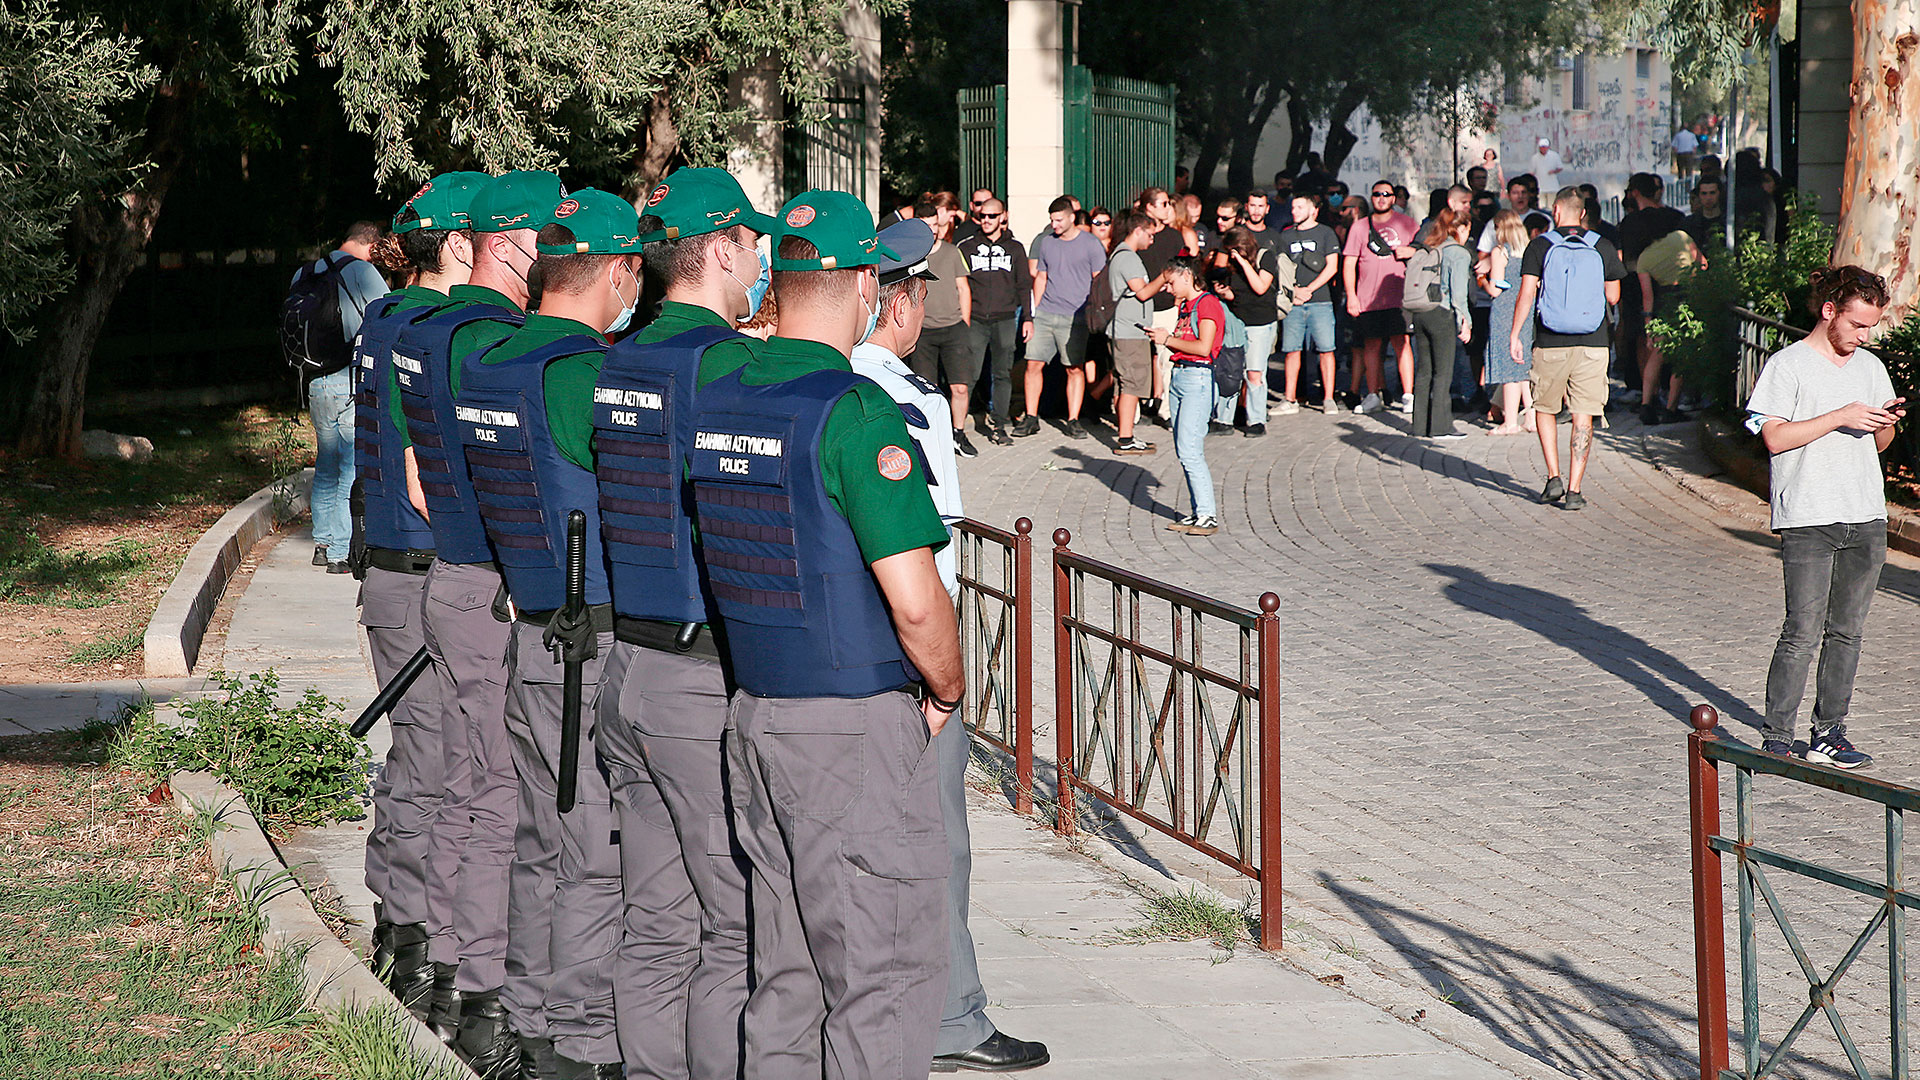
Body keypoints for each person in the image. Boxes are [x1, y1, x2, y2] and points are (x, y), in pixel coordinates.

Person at [689, 188, 963, 1080]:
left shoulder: (722, 390)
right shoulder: (856, 410)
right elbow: (917, 603)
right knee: (882, 977)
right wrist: (948, 689)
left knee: (788, 974)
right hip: (849, 724)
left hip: (755, 708)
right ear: (867, 286)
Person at [849, 219, 1052, 1074]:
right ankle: (948, 1021)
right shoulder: (899, 398)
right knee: (935, 843)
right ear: (902, 299)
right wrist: (946, 680)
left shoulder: (808, 377)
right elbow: (927, 557)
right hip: (903, 653)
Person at [587, 168, 775, 1080]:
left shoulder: (618, 357)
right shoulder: (726, 365)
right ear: (724, 250)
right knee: (733, 925)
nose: (765, 260)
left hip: (629, 668)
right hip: (698, 684)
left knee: (655, 921)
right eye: (756, 243)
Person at [457, 187, 638, 1080]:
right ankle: (580, 1045)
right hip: (588, 642)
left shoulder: (491, 359)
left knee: (540, 843)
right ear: (618, 271)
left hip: (531, 627)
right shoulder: (583, 374)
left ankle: (526, 1026)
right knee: (594, 855)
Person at [385, 167, 555, 1071]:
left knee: (465, 786)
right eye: (548, 241)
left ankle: (445, 972)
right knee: (498, 800)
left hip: (451, 574)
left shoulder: (427, 331)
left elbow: (419, 474)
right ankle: (480, 999)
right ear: (511, 247)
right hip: (490, 585)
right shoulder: (493, 343)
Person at [351, 174, 479, 1032]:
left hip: (390, 572)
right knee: (443, 771)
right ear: (461, 245)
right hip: (425, 569)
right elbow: (426, 477)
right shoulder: (435, 330)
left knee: (415, 765)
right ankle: (422, 952)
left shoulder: (384, 316)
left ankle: (399, 932)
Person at [1746, 266, 1904, 768]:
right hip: (1809, 515)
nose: (1864, 336)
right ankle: (1777, 735)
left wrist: (1885, 423)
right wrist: (1840, 415)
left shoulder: (1870, 367)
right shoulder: (1787, 365)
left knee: (1848, 632)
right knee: (1802, 630)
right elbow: (1774, 438)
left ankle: (1830, 733)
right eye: (1857, 325)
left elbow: (1880, 445)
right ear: (1829, 311)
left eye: (1871, 327)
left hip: (1865, 514)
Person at [1508, 186, 1626, 510]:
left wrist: (1515, 334)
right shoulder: (1602, 245)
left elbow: (1527, 294)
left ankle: (1553, 477)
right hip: (1593, 343)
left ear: (1555, 211)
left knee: (1545, 408)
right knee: (1583, 414)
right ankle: (1575, 490)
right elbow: (1613, 296)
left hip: (1550, 342)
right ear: (1583, 213)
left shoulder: (1540, 245)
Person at [300, 221, 389, 572]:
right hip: (348, 378)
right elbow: (386, 316)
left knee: (325, 463)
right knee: (350, 466)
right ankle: (339, 552)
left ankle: (321, 543)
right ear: (372, 244)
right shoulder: (363, 272)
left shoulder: (306, 272)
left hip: (314, 381)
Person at [1016, 195, 1106, 439]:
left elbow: (1099, 281)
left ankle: (1073, 419)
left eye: (1058, 220)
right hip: (1046, 312)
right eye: (1052, 220)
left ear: (1071, 218)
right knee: (1033, 364)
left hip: (1076, 316)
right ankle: (1031, 417)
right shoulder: (1047, 243)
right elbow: (1041, 278)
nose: (1054, 225)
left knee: (1074, 368)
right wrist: (1032, 315)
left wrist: (1094, 313)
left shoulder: (1091, 244)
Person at [1147, 255, 1223, 537]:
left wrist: (1167, 339)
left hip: (1197, 377)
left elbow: (1204, 347)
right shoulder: (1186, 307)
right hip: (1181, 375)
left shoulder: (1207, 304)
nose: (1167, 288)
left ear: (1187, 276)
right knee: (1184, 449)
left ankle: (1207, 515)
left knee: (1190, 450)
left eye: (1170, 282)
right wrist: (1165, 339)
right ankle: (1198, 511)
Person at [905, 199, 979, 458]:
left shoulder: (952, 252)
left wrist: (964, 323)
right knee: (928, 389)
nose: (933, 231)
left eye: (935, 225)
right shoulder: (911, 255)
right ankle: (933, 437)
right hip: (924, 331)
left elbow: (963, 289)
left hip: (954, 328)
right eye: (927, 226)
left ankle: (958, 433)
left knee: (960, 387)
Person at [1343, 179, 1418, 415]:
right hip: (1368, 298)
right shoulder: (1360, 227)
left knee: (1402, 343)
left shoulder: (1407, 223)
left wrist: (1412, 251)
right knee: (1372, 345)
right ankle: (1373, 395)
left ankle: (1408, 395)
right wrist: (1351, 296)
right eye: (1377, 194)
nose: (1381, 198)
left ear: (1393, 198)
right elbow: (1349, 263)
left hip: (1400, 297)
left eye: (1386, 194)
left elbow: (1425, 251)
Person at [961, 198, 1032, 447]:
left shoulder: (1015, 248)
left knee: (1002, 374)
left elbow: (1024, 285)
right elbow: (959, 285)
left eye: (992, 216)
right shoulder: (967, 247)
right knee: (969, 374)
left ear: (1003, 216)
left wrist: (1028, 318)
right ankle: (956, 429)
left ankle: (999, 425)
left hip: (1005, 319)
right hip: (976, 320)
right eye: (983, 216)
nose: (987, 220)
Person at [1402, 209, 1473, 439]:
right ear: (1461, 228)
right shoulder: (1458, 253)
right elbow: (1458, 294)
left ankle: (1419, 426)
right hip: (1442, 313)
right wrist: (1466, 321)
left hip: (1421, 311)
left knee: (1424, 371)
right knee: (1443, 372)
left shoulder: (1432, 247)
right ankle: (1441, 427)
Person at [1107, 211, 1166, 455]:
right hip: (1129, 332)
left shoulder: (1121, 254)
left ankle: (1127, 434)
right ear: (1138, 231)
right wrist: (1164, 277)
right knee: (1131, 384)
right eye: (1150, 234)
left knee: (1124, 384)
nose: (1152, 240)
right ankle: (1125, 438)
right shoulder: (1128, 258)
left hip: (1125, 329)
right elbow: (1141, 293)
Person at [1277, 194, 1341, 414]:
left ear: (1313, 210)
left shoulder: (1326, 233)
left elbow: (1332, 267)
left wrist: (1309, 289)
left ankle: (1328, 398)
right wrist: (1294, 291)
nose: (1294, 211)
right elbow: (1281, 268)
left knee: (1326, 349)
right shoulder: (1286, 236)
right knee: (1291, 350)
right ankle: (1290, 398)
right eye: (1293, 207)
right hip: (1294, 302)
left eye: (1300, 207)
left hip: (1320, 301)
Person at [1213, 225, 1280, 434]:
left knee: (1254, 373)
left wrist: (1243, 263)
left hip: (1260, 323)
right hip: (1237, 322)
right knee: (1231, 370)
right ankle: (1224, 419)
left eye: (1233, 251)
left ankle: (1257, 421)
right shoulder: (1230, 264)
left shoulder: (1265, 257)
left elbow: (1260, 287)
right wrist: (1224, 292)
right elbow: (1236, 295)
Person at [1482, 210, 1536, 435]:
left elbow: (1496, 289)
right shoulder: (1529, 251)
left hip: (1505, 310)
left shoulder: (1500, 251)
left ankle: (1510, 421)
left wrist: (1482, 279)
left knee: (1508, 365)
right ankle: (1531, 417)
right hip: (1525, 308)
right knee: (1522, 364)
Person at [1688, 176, 1727, 249]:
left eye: (1712, 193)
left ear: (1720, 194)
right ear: (1699, 195)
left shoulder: (1728, 223)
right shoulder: (1688, 224)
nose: (1708, 198)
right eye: (1704, 193)